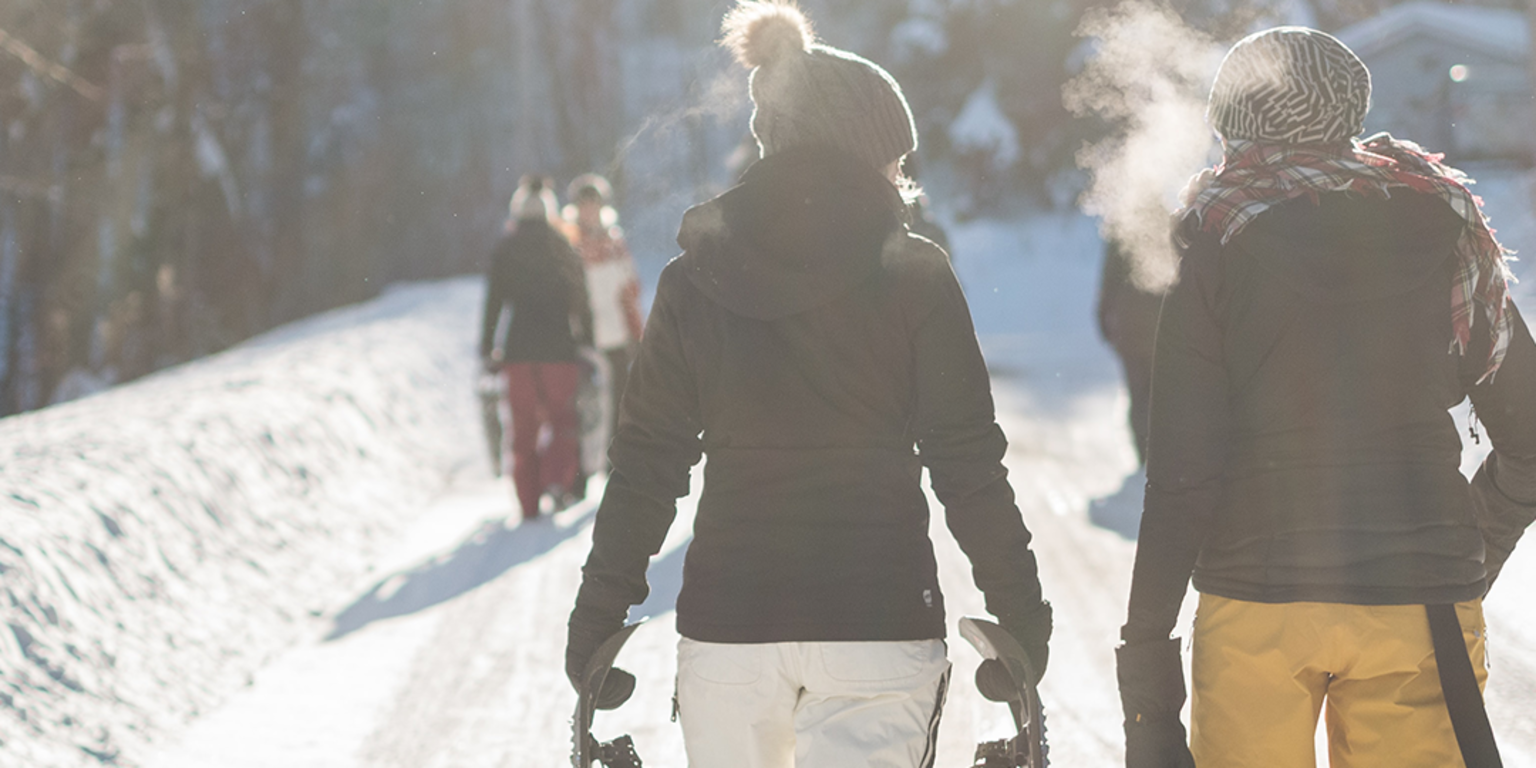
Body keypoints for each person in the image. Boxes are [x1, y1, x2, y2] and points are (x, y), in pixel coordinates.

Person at [565, 3, 1052, 766]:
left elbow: (647, 463)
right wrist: (1022, 611)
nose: (902, 175)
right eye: (895, 157)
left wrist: (596, 618)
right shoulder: (915, 275)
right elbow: (967, 462)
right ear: (861, 151)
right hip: (879, 622)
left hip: (731, 630)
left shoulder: (694, 280)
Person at [1117, 27, 1536, 768]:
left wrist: (1145, 649)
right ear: (1351, 110)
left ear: (1231, 122)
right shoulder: (1447, 226)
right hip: (1420, 604)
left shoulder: (1215, 239)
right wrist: (1466, 548)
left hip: (1256, 606)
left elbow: (1183, 475)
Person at [479, 175, 594, 520]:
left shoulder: (505, 249)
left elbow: (494, 304)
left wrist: (488, 348)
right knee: (562, 421)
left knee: (523, 429)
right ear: (549, 209)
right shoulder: (563, 245)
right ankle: (557, 481)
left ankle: (528, 503)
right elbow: (582, 301)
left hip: (518, 354)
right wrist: (587, 342)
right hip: (561, 351)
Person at [564, 173, 645, 468]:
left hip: (617, 336)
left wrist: (637, 333)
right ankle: (582, 468)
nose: (590, 210)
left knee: (619, 404)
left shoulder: (615, 241)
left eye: (594, 204)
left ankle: (614, 462)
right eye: (584, 204)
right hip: (585, 339)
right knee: (585, 407)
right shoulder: (569, 243)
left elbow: (631, 290)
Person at [1095, 237, 1165, 465]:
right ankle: (1160, 451)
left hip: (1129, 322)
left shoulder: (1122, 227)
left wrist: (1104, 319)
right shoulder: (1170, 217)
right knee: (1162, 392)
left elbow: (1109, 279)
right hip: (1161, 321)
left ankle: (1143, 452)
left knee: (1138, 392)